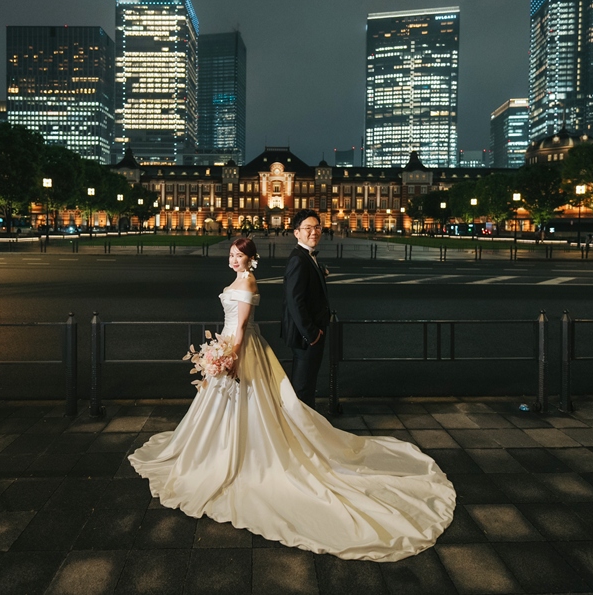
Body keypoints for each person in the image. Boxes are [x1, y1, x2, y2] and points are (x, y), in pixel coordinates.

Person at [129, 237, 455, 562]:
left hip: (240, 349)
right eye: (230, 255)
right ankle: (223, 446)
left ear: (250, 259)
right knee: (237, 404)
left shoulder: (248, 281)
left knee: (246, 402)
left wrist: (230, 358)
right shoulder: (241, 278)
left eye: (238, 256)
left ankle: (235, 451)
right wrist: (222, 351)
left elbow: (241, 327)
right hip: (231, 345)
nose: (233, 259)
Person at [281, 209, 329, 409]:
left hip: (310, 335)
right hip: (306, 337)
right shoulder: (298, 259)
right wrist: (312, 334)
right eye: (308, 228)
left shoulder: (306, 257)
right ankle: (300, 432)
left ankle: (306, 429)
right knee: (302, 389)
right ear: (296, 232)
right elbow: (295, 301)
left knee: (308, 385)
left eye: (317, 227)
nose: (314, 232)